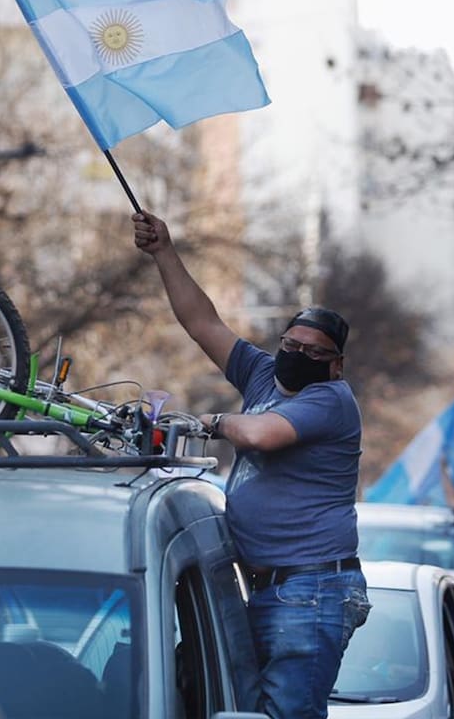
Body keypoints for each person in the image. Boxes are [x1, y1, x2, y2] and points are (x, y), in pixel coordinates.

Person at [133, 211, 370, 719]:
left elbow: (262, 433)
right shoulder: (263, 374)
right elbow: (202, 323)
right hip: (275, 590)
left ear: (336, 363)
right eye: (290, 345)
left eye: (313, 351)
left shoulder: (331, 399)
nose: (297, 355)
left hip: (310, 592)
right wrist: (165, 254)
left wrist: (213, 420)